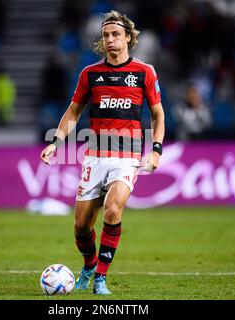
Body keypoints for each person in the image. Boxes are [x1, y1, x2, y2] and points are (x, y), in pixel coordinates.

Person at [40, 10, 165, 294]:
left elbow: (158, 115)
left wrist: (156, 150)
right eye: (106, 35)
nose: (110, 40)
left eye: (116, 34)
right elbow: (73, 111)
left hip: (128, 156)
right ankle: (89, 264)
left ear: (128, 38)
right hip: (95, 155)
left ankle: (101, 278)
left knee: (113, 208)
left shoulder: (144, 72)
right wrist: (55, 143)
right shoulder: (90, 74)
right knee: (81, 225)